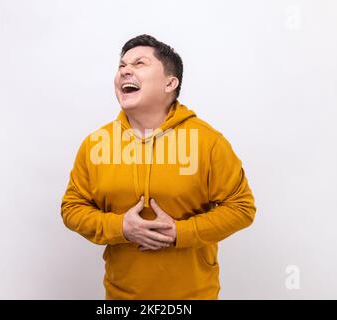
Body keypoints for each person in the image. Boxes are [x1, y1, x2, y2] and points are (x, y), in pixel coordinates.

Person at [61, 34, 256, 299]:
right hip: (121, 299)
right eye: (121, 66)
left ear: (170, 83)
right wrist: (121, 228)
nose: (125, 70)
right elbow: (72, 208)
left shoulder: (208, 141)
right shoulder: (96, 144)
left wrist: (179, 232)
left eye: (139, 63)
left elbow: (242, 208)